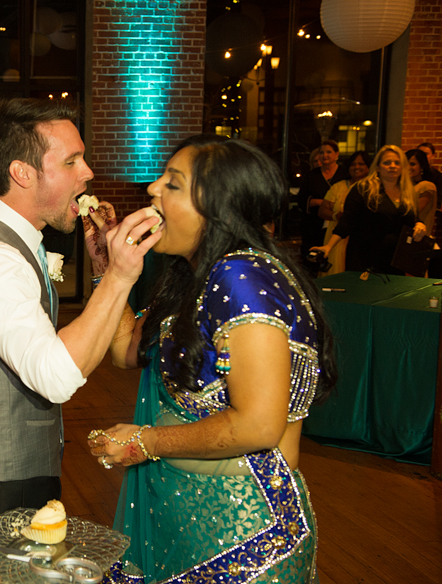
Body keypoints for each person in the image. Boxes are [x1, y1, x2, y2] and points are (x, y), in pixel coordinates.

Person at [86, 135, 336, 582]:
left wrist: (145, 442)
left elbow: (258, 425)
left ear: (218, 207)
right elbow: (126, 351)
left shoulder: (240, 276)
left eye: (173, 184)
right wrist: (110, 267)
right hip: (185, 519)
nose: (152, 190)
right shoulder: (191, 274)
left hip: (242, 535)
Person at [0, 98, 156, 536]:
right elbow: (54, 376)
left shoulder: (14, 243)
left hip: (21, 471)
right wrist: (122, 276)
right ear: (22, 173)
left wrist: (102, 270)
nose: (88, 172)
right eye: (72, 161)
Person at [313, 145, 426, 275]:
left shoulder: (408, 191)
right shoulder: (363, 189)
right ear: (377, 167)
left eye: (397, 163)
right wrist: (328, 246)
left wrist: (420, 224)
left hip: (395, 259)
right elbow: (347, 222)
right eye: (387, 163)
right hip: (364, 257)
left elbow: (413, 218)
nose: (392, 166)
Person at [317, 151, 371, 275]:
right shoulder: (338, 187)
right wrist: (336, 215)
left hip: (361, 241)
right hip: (337, 240)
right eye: (353, 164)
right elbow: (322, 211)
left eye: (361, 164)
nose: (356, 167)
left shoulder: (373, 188)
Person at [298, 140, 349, 261]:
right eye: (322, 152)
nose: (325, 155)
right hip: (314, 225)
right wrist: (319, 202)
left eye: (329, 152)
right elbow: (301, 199)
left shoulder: (344, 173)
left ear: (336, 154)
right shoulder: (312, 175)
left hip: (337, 223)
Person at [406, 148, 438, 234]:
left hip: (418, 237)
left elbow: (412, 213)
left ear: (422, 166)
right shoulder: (406, 186)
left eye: (412, 164)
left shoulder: (426, 186)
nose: (408, 167)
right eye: (405, 164)